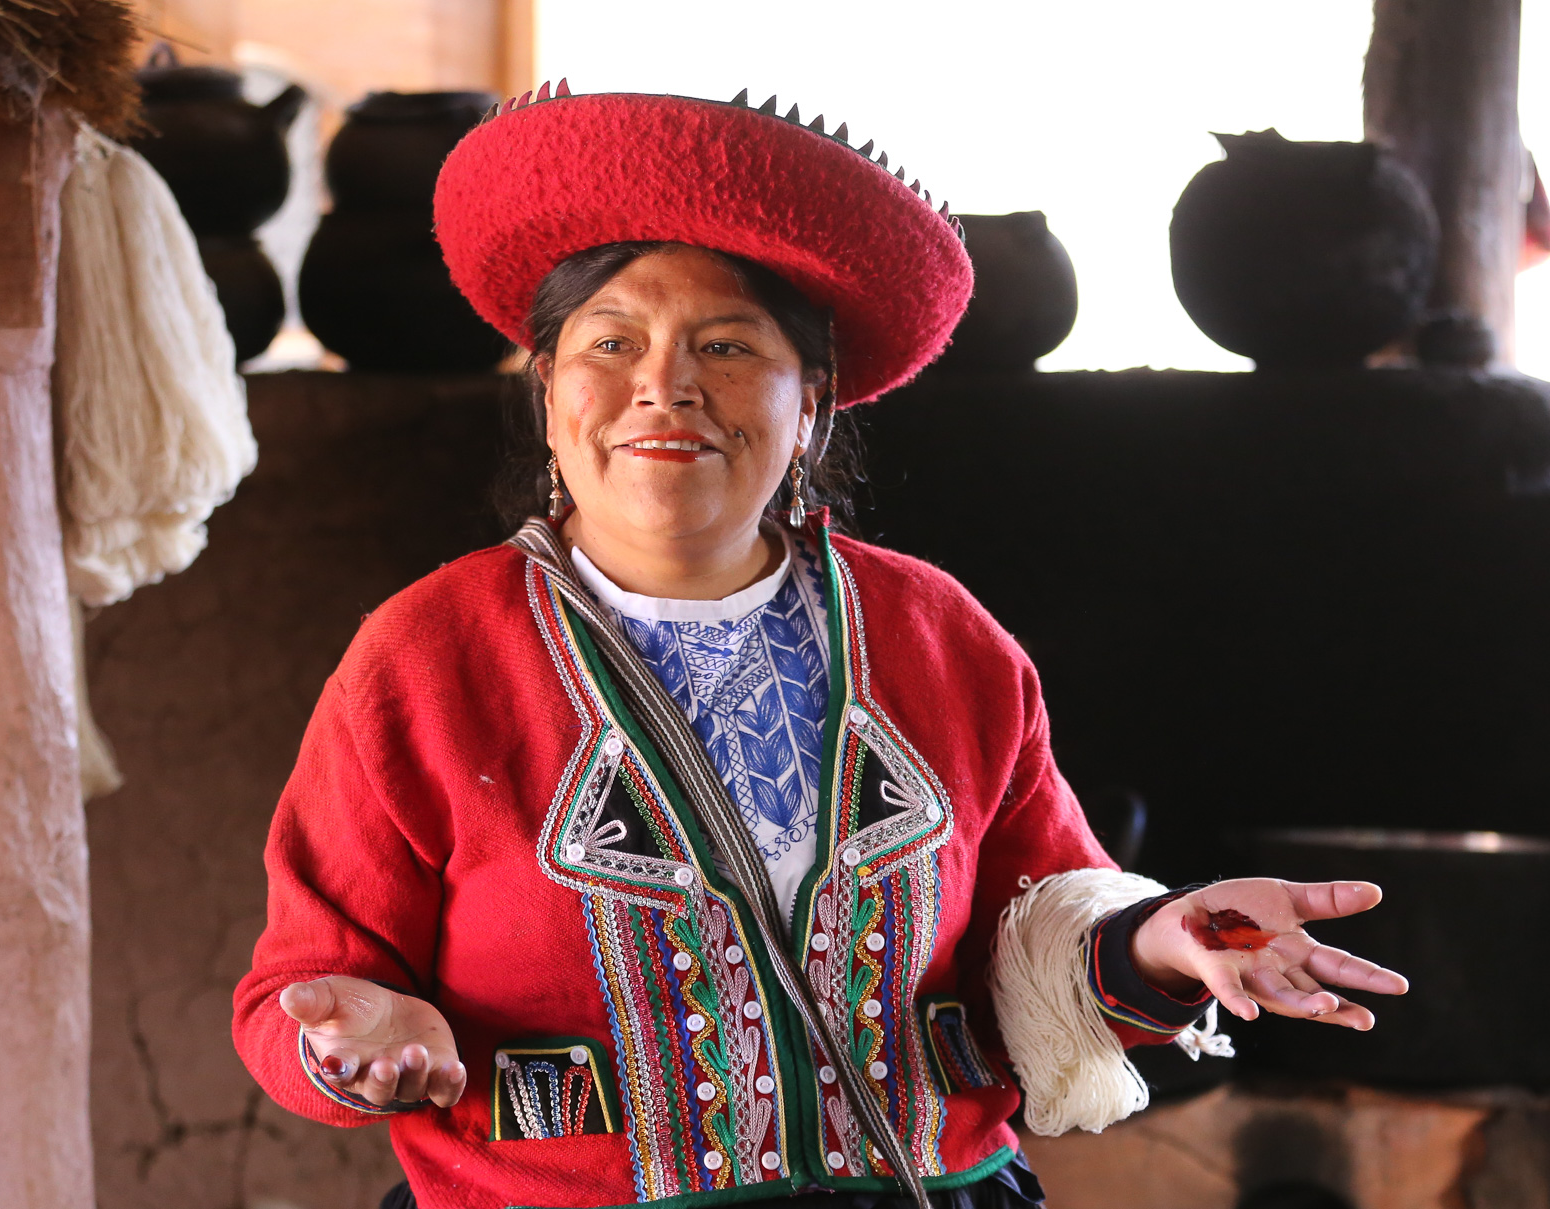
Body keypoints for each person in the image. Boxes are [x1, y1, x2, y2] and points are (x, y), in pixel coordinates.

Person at [233, 86, 1407, 1209]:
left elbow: (1043, 916)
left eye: (730, 349)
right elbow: (299, 990)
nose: (666, 388)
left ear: (815, 406)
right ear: (548, 390)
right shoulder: (427, 659)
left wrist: (1165, 938)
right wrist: (359, 1043)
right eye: (611, 344)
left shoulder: (934, 636)